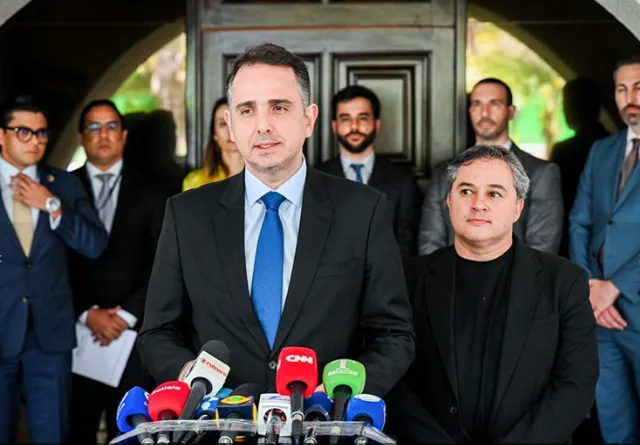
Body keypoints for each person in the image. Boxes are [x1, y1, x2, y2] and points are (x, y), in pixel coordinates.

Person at [137, 43, 415, 396]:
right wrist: (191, 375)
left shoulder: (364, 209)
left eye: (279, 107)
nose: (263, 125)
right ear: (231, 126)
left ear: (309, 119)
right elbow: (157, 333)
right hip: (220, 426)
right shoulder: (186, 214)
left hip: (325, 426)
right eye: (247, 110)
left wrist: (341, 395)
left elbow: (393, 334)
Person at [387, 145, 598, 444]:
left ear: (518, 208)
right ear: (448, 202)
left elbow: (577, 384)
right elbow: (392, 377)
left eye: (494, 193)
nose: (478, 204)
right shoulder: (408, 279)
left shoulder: (564, 281)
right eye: (466, 191)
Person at [0, 95, 108, 443]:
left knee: (52, 435)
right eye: (24, 132)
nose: (37, 141)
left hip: (49, 337)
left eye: (42, 133)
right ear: (2, 135)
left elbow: (95, 244)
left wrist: (50, 205)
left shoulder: (62, 184)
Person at [67, 99, 167, 443]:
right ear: (81, 137)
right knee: (75, 428)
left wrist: (124, 315)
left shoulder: (154, 190)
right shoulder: (61, 190)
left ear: (123, 136)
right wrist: (86, 313)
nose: (103, 135)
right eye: (94, 127)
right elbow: (53, 264)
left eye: (111, 126)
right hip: (76, 336)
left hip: (133, 338)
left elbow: (161, 262)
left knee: (129, 434)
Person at [570, 54, 640, 444]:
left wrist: (616, 285)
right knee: (614, 423)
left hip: (633, 302)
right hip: (599, 313)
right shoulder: (602, 150)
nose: (629, 97)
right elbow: (580, 220)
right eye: (620, 88)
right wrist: (591, 285)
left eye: (638, 87)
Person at [419, 78, 563, 255]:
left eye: (494, 104)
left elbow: (542, 248)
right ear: (470, 111)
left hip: (519, 281)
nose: (484, 112)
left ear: (511, 112)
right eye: (477, 104)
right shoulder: (443, 173)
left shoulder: (542, 173)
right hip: (451, 280)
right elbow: (430, 242)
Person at [316, 85, 422, 258]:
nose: (354, 126)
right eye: (345, 118)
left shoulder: (402, 179)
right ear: (334, 126)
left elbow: (407, 243)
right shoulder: (315, 177)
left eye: (363, 118)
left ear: (377, 124)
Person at [550, 77, 609, 258]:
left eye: (567, 103)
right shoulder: (620, 146)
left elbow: (555, 206)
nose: (565, 109)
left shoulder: (565, 152)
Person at [183, 97, 245, 190]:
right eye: (223, 124)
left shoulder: (264, 179)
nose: (230, 130)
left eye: (235, 122)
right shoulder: (195, 181)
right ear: (215, 134)